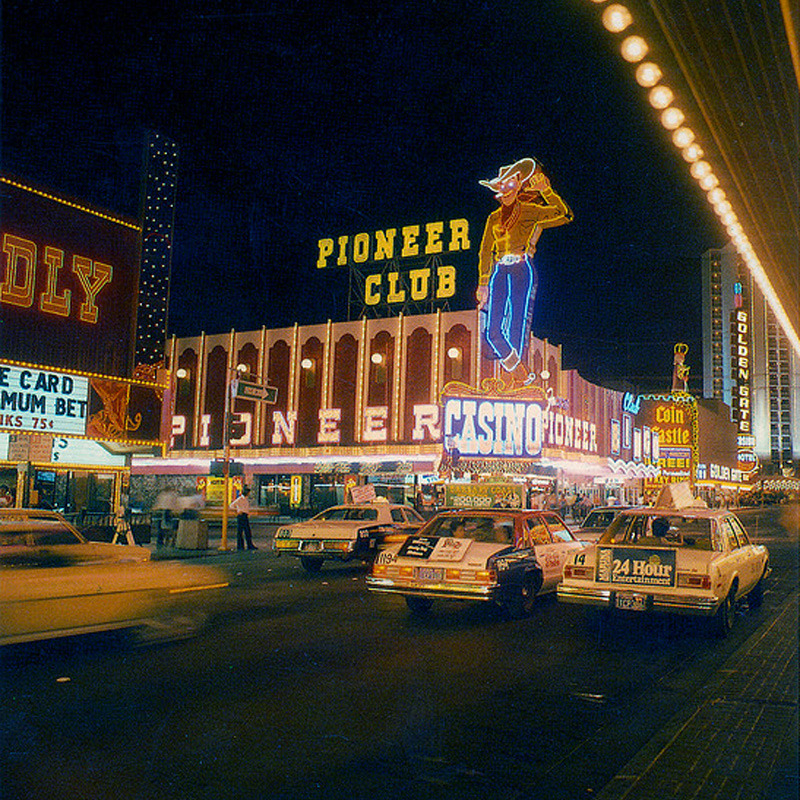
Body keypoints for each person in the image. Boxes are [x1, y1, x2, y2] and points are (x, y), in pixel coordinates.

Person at [477, 158, 573, 387]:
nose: (505, 189)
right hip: (499, 270)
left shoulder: (530, 210)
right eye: (501, 185)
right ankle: (519, 370)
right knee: (492, 330)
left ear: (519, 185)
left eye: (510, 183)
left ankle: (513, 380)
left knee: (517, 324)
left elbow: (564, 214)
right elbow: (484, 251)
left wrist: (547, 191)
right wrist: (483, 282)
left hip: (522, 267)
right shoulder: (492, 218)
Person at [230, 485, 257, 551]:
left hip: (245, 515)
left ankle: (249, 545)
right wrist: (238, 511)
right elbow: (231, 505)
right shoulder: (240, 499)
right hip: (241, 516)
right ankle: (240, 546)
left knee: (247, 531)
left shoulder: (245, 499)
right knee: (240, 531)